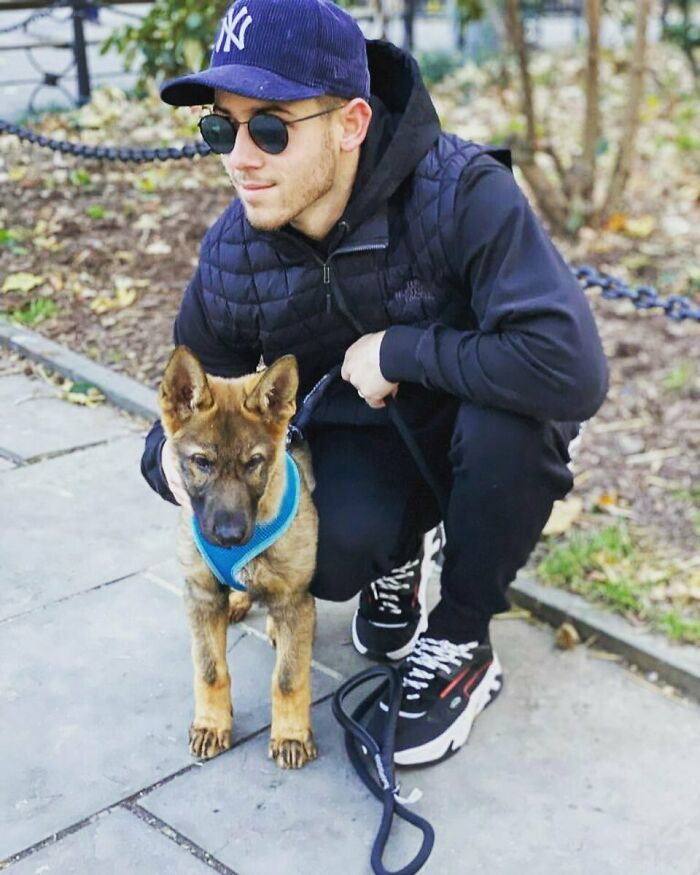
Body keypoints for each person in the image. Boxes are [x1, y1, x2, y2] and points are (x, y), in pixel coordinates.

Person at [141, 0, 608, 765]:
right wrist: (166, 455)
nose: (240, 159)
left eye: (269, 127)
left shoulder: (463, 193)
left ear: (351, 123)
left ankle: (460, 635)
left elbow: (570, 364)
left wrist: (401, 350)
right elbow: (178, 414)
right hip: (367, 435)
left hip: (478, 419)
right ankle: (396, 556)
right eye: (222, 127)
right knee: (329, 555)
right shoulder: (235, 248)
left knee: (510, 430)